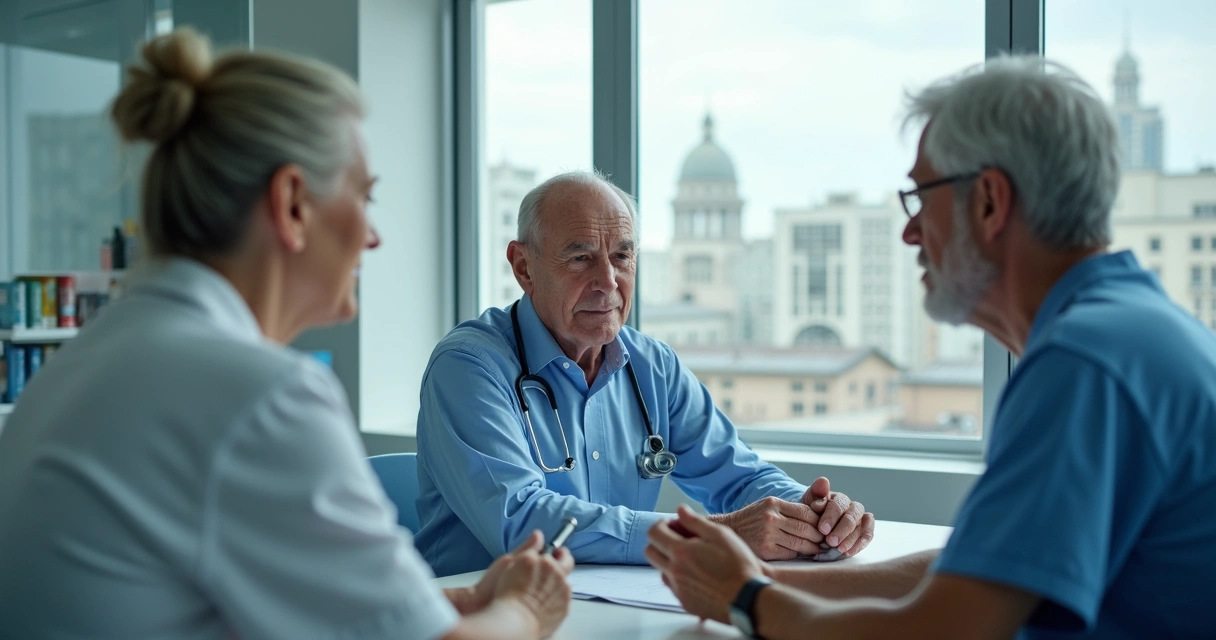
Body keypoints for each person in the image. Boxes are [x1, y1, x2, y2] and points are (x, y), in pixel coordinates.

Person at [0, 28, 571, 640]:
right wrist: (527, 607)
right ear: (294, 203)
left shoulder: (87, 362)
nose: (373, 237)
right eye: (366, 197)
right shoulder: (259, 396)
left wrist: (451, 602)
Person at [645, 55, 1216, 639]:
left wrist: (746, 598)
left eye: (921, 197)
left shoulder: (1084, 366)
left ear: (990, 201)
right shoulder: (1127, 333)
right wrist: (756, 577)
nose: (909, 231)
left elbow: (940, 629)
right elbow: (972, 573)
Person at [414, 169, 876, 578]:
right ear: (523, 267)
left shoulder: (652, 366)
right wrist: (712, 535)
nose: (608, 282)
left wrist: (815, 513)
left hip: (607, 615)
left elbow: (738, 477)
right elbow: (519, 520)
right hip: (476, 618)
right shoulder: (469, 367)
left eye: (621, 256)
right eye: (580, 258)